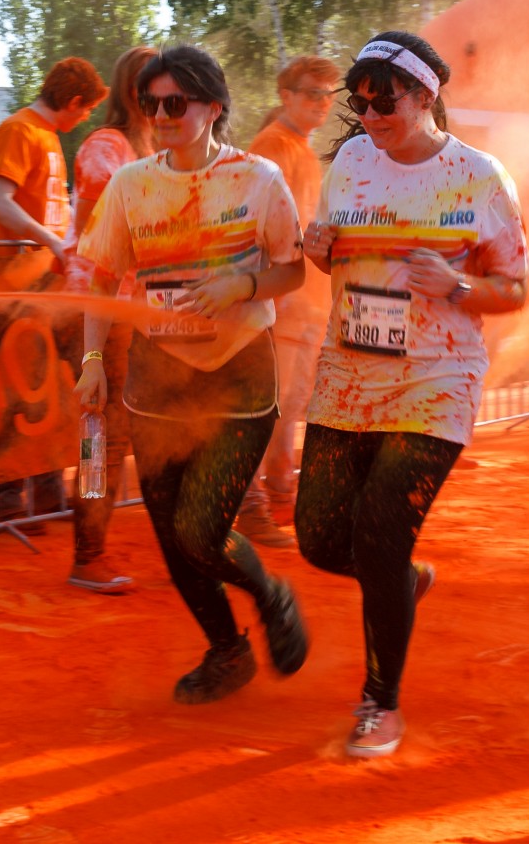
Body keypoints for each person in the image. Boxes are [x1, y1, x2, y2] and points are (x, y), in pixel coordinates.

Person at [298, 31, 529, 758]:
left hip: (437, 377)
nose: (369, 115)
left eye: (385, 100)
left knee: (379, 531)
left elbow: (515, 287)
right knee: (319, 538)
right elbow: (337, 254)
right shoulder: (351, 164)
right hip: (348, 372)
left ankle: (380, 704)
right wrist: (320, 250)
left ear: (426, 96)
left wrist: (460, 286)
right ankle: (400, 579)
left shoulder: (480, 177)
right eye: (359, 102)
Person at [76, 45, 309, 702]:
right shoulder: (132, 184)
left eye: (175, 103)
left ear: (212, 106)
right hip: (156, 378)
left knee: (200, 529)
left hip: (236, 375)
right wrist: (93, 361)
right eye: (152, 104)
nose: (161, 115)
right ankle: (225, 650)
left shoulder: (259, 179)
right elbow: (98, 279)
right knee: (171, 539)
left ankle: (270, 596)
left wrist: (242, 282)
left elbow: (292, 268)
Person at [0, 57, 108, 531]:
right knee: (18, 388)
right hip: (9, 282)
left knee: (48, 388)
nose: (86, 118)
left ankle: (43, 489)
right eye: (87, 109)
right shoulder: (19, 130)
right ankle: (7, 498)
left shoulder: (48, 136)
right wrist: (52, 241)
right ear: (73, 101)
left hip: (42, 283)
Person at [234, 55, 343, 548]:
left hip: (306, 301)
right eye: (312, 92)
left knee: (290, 406)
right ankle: (250, 505)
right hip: (282, 303)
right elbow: (258, 227)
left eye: (328, 94)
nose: (322, 102)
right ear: (286, 94)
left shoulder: (299, 148)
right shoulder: (272, 147)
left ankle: (280, 487)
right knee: (268, 408)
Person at [60, 46, 157, 593]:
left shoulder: (150, 147)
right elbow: (115, 220)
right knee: (101, 434)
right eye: (157, 87)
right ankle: (87, 554)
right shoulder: (106, 146)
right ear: (133, 90)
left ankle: (96, 550)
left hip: (136, 310)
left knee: (126, 430)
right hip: (100, 310)